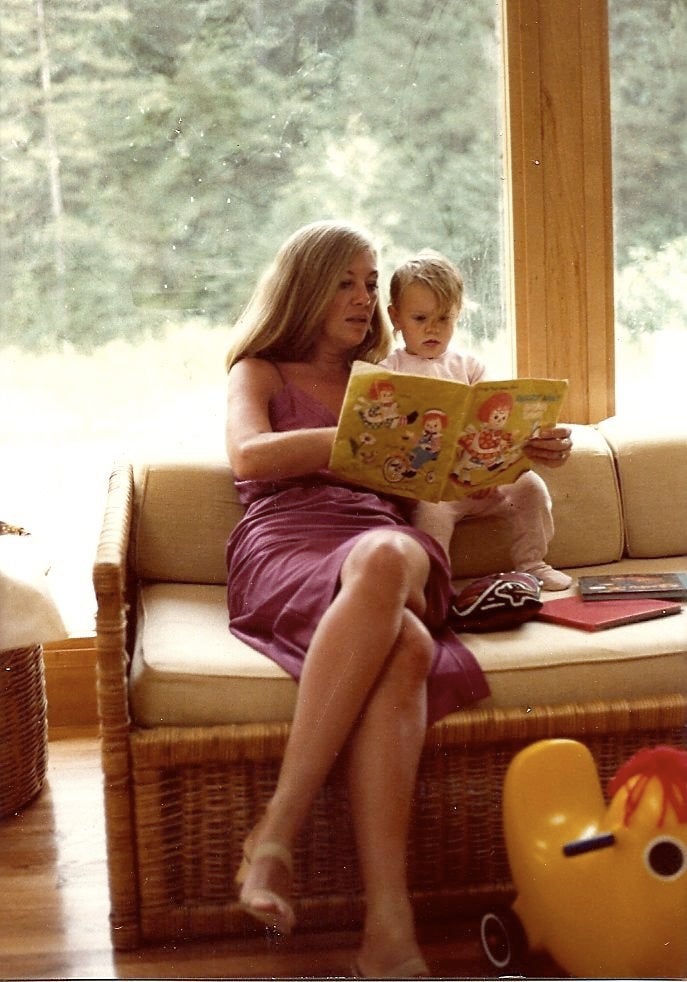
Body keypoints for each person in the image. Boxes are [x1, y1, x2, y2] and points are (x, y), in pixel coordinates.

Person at [224, 221, 572, 978]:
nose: (362, 296)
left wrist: (518, 449)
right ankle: (389, 929)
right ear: (304, 287)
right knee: (408, 647)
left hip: (381, 541)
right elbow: (248, 456)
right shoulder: (261, 371)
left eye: (367, 280)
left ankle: (275, 832)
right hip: (286, 543)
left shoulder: (386, 374)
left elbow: (442, 480)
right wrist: (352, 437)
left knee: (387, 552)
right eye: (344, 281)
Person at [382, 249, 573, 591]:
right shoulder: (391, 370)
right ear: (396, 317)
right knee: (432, 514)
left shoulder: (469, 366)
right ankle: (435, 582)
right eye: (420, 318)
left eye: (445, 318)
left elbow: (494, 426)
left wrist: (495, 470)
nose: (433, 329)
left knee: (531, 488)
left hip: (485, 479)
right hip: (434, 489)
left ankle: (533, 563)